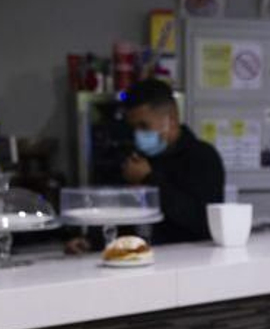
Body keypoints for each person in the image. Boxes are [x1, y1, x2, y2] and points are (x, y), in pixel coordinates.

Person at [96, 77, 225, 245]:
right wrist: (93, 241)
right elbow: (120, 215)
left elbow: (202, 222)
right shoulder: (137, 159)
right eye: (133, 128)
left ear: (170, 120)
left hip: (189, 260)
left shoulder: (202, 157)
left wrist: (149, 179)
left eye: (144, 126)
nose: (137, 135)